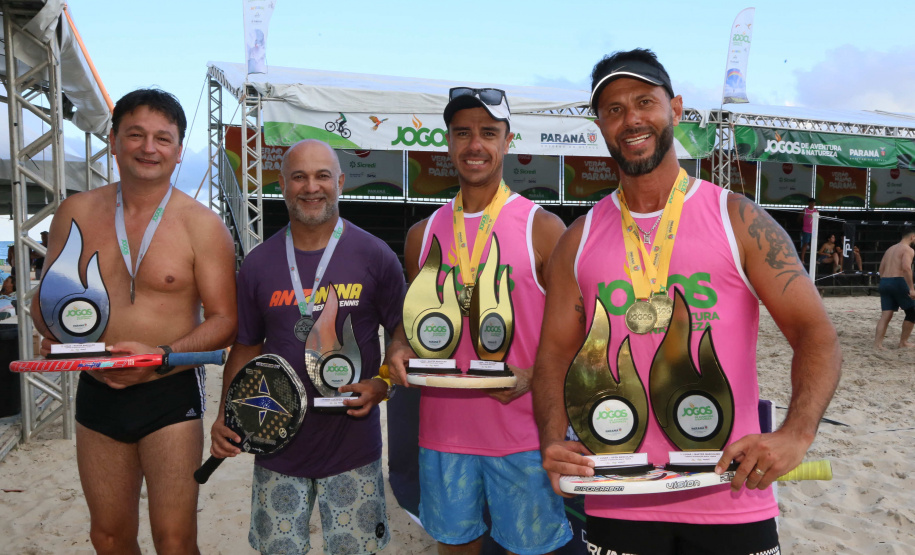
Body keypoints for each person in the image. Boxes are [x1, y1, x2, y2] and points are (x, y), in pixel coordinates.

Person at [532, 48, 841, 555]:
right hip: (617, 491)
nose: (631, 118)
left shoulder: (737, 217)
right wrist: (553, 438)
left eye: (643, 102)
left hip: (730, 493)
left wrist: (795, 433)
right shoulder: (579, 238)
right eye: (613, 109)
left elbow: (815, 334)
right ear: (600, 126)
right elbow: (552, 356)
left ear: (674, 109)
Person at [30, 88, 238, 555]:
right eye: (136, 135)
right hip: (98, 388)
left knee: (175, 539)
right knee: (107, 536)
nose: (149, 148)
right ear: (113, 139)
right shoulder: (77, 212)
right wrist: (53, 333)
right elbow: (47, 303)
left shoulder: (201, 224)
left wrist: (160, 359)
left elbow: (226, 320)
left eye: (163, 138)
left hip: (170, 388)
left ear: (179, 149)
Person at [386, 86, 571, 555]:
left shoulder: (543, 228)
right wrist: (399, 345)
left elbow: (577, 333)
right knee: (457, 548)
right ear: (448, 142)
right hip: (445, 432)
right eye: (463, 132)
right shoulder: (420, 235)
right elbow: (415, 321)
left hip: (525, 433)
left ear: (508, 142)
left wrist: (533, 376)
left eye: (489, 133)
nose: (475, 145)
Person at [209, 139, 406, 554]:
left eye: (322, 176)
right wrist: (227, 415)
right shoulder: (259, 263)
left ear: (340, 182)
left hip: (352, 446)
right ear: (282, 184)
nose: (311, 187)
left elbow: (402, 335)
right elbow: (245, 347)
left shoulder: (376, 255)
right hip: (276, 443)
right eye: (299, 176)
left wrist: (383, 384)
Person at [873, 227, 915, 350]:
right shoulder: (908, 250)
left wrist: (886, 282)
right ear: (912, 237)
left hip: (884, 281)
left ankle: (877, 344)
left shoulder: (890, 249)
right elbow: (906, 268)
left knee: (885, 315)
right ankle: (903, 342)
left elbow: (881, 269)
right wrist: (911, 288)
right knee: (912, 312)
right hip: (898, 281)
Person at [799, 198, 817, 262]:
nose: (812, 204)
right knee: (805, 244)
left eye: (813, 203)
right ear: (809, 203)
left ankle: (813, 259)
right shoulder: (805, 210)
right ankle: (802, 259)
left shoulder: (816, 211)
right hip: (806, 229)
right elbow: (800, 218)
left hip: (814, 230)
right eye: (811, 203)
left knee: (813, 244)